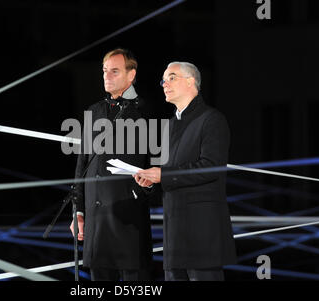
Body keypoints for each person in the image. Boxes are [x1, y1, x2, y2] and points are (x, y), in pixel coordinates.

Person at [134, 62, 237, 281]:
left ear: (191, 82)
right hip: (174, 236)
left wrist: (163, 175)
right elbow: (167, 173)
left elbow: (211, 167)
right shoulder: (170, 125)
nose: (164, 84)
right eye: (163, 80)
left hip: (202, 234)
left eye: (171, 78)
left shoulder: (212, 119)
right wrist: (151, 182)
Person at [69, 48, 153, 281]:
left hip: (128, 219)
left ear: (131, 75)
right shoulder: (93, 111)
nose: (107, 76)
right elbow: (82, 164)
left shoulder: (146, 112)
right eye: (105, 71)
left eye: (115, 71)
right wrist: (78, 211)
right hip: (97, 221)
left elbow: (156, 163)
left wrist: (142, 191)